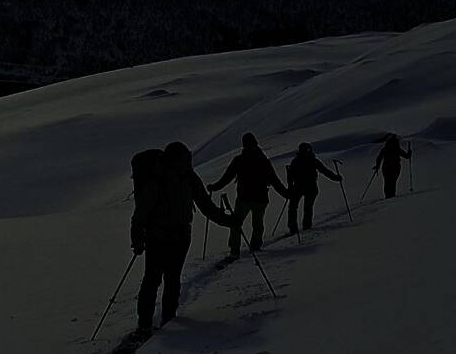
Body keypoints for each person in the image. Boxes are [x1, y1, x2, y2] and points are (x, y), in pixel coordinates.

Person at [130, 142, 232, 335]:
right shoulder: (159, 180)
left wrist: (228, 221)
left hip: (174, 237)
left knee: (166, 279)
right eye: (184, 159)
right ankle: (148, 322)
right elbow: (140, 215)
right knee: (156, 280)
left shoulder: (188, 177)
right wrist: (137, 240)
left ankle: (163, 319)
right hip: (162, 238)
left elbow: (205, 205)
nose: (188, 163)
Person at [208, 132, 286, 260]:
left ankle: (235, 250)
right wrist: (286, 193)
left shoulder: (240, 160)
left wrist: (215, 187)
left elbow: (227, 177)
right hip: (259, 198)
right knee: (256, 223)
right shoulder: (262, 160)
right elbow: (274, 180)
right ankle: (253, 246)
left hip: (245, 198)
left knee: (236, 223)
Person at [286, 142, 340, 233]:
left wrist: (290, 186)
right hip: (309, 186)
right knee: (306, 206)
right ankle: (304, 226)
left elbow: (290, 175)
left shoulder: (296, 160)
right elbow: (324, 171)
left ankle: (293, 227)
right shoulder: (312, 160)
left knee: (294, 207)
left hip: (300, 186)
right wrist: (335, 177)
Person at [374, 133, 411, 199]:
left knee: (389, 182)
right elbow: (406, 156)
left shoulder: (386, 149)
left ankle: (388, 196)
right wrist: (409, 153)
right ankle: (390, 196)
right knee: (391, 182)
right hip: (393, 168)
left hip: (388, 168)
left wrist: (377, 166)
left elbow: (379, 157)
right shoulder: (396, 149)